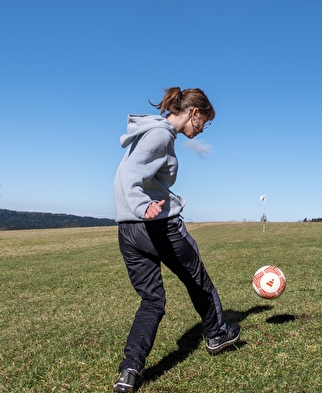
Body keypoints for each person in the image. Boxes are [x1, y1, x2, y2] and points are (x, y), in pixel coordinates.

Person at [112, 87, 240, 393]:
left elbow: (128, 177)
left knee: (152, 300)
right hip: (158, 226)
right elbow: (126, 176)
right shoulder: (161, 135)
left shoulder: (152, 132)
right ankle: (217, 334)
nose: (202, 129)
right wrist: (144, 206)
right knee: (198, 280)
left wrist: (137, 210)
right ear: (194, 113)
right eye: (204, 122)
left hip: (128, 230)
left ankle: (130, 370)